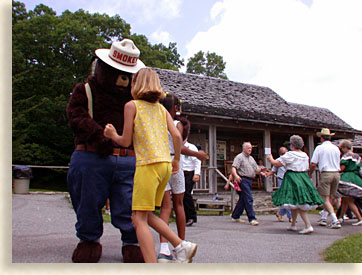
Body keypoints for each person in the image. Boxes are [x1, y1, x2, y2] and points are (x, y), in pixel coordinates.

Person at [103, 68, 198, 263]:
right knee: (144, 214)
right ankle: (181, 245)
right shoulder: (162, 109)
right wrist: (177, 160)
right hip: (164, 165)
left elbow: (126, 140)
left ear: (137, 84)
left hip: (147, 165)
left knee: (138, 220)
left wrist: (112, 135)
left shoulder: (131, 106)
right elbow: (178, 136)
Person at [66, 39, 145, 263]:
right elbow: (77, 117)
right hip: (91, 156)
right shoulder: (86, 90)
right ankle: (88, 239)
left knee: (129, 204)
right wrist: (100, 136)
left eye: (127, 74)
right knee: (87, 201)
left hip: (128, 159)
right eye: (118, 72)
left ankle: (132, 241)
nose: (123, 79)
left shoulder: (136, 99)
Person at [157, 93, 208, 263]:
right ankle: (181, 244)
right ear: (175, 108)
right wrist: (197, 154)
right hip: (174, 163)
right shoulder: (177, 124)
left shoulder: (156, 122)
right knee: (179, 204)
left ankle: (163, 248)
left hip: (161, 163)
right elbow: (179, 146)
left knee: (165, 207)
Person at [267, 135, 325, 234]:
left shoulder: (290, 155)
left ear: (292, 145)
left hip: (293, 177)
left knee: (299, 203)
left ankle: (308, 226)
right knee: (294, 203)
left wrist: (270, 158)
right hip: (303, 177)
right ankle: (293, 224)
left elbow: (277, 164)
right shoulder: (305, 155)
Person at [309, 128, 342, 229]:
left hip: (326, 173)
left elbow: (314, 163)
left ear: (321, 137)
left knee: (324, 198)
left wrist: (310, 173)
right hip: (336, 173)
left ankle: (335, 220)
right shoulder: (336, 148)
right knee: (331, 197)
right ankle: (323, 218)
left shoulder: (320, 148)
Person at [230, 142, 267, 226]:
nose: (250, 149)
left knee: (243, 198)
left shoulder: (251, 158)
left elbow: (256, 169)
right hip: (243, 179)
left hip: (250, 180)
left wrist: (261, 172)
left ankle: (235, 216)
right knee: (248, 198)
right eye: (248, 148)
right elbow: (234, 167)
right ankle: (252, 218)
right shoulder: (239, 157)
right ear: (243, 149)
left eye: (251, 148)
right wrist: (236, 176)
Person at [336, 140, 362, 226]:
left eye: (342, 148)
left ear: (345, 147)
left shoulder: (346, 156)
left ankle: (359, 218)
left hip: (347, 178)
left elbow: (342, 167)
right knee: (345, 199)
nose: (342, 150)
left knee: (349, 200)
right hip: (356, 177)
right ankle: (340, 217)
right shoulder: (357, 156)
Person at [181, 121, 202, 227]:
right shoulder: (176, 146)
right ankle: (183, 216)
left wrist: (197, 174)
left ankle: (191, 216)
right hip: (179, 172)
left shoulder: (191, 147)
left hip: (189, 172)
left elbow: (197, 160)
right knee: (180, 195)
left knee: (186, 193)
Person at [264, 147, 292, 222]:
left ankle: (280, 213)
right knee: (286, 198)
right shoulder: (278, 160)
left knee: (288, 198)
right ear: (280, 154)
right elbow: (273, 171)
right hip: (281, 180)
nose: (284, 155)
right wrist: (267, 174)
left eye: (286, 153)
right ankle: (290, 217)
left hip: (289, 180)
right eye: (283, 153)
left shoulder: (289, 159)